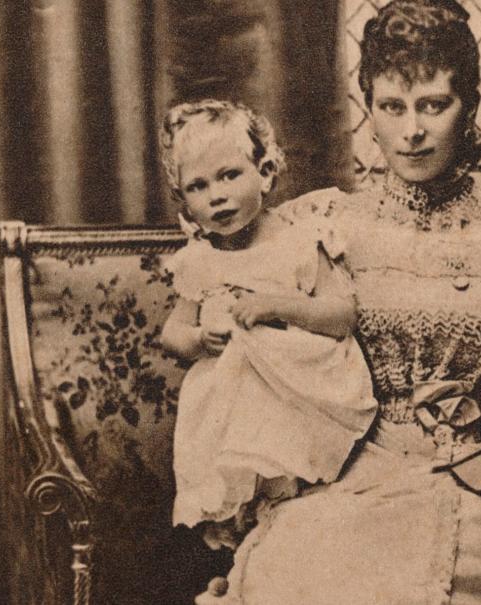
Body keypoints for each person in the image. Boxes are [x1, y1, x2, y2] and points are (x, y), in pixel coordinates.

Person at [198, 2, 481, 603]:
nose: (411, 131)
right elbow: (220, 291)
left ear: (466, 106)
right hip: (347, 483)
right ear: (370, 109)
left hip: (476, 484)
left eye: (433, 105)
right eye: (392, 107)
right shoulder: (324, 224)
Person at [158, 99, 377, 550]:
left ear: (266, 172)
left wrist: (276, 306)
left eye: (229, 175)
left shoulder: (300, 241)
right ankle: (240, 571)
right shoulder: (199, 261)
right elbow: (172, 334)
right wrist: (199, 339)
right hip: (228, 412)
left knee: (297, 517)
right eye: (198, 186)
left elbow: (342, 317)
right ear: (184, 202)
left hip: (298, 396)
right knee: (240, 517)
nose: (216, 195)